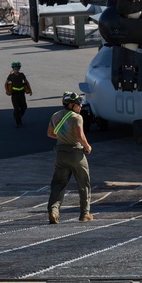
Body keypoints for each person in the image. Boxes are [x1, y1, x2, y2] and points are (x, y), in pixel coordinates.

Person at [46, 91, 93, 224]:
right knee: (84, 183)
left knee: (58, 183)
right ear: (71, 105)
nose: (81, 106)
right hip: (75, 154)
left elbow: (50, 133)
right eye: (78, 104)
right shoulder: (76, 117)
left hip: (60, 153)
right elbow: (79, 136)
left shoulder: (55, 116)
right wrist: (87, 146)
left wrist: (63, 137)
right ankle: (85, 213)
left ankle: (53, 210)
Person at [4, 61, 32, 127]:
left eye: (17, 68)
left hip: (21, 93)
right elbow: (6, 84)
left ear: (19, 69)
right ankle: (18, 121)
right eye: (15, 69)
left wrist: (30, 90)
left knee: (24, 107)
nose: (16, 70)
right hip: (14, 94)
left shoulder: (22, 75)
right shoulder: (11, 76)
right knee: (16, 108)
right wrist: (7, 90)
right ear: (13, 69)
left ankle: (18, 116)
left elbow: (26, 82)